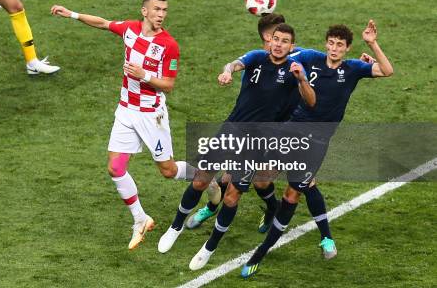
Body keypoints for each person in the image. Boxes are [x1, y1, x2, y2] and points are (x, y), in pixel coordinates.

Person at [241, 20, 394, 278]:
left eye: (340, 45)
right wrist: (254, 56)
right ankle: (285, 218)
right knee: (262, 177)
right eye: (331, 43)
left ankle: (260, 253)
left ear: (347, 49)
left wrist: (372, 44)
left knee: (293, 194)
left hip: (317, 143)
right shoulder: (312, 57)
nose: (334, 49)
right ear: (326, 43)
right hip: (292, 130)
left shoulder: (354, 68)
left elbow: (387, 70)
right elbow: (283, 52)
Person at [158, 24, 316, 270]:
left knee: (232, 194)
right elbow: (233, 64)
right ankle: (175, 227)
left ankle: (209, 248)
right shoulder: (256, 57)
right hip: (231, 130)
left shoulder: (294, 70)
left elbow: (311, 101)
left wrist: (303, 79)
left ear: (291, 47)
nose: (279, 44)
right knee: (200, 179)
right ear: (269, 40)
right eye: (276, 39)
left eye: (285, 41)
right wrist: (227, 72)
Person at [50, 0, 196, 250]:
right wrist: (71, 14)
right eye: (157, 9)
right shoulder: (130, 29)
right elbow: (103, 23)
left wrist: (145, 75)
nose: (161, 14)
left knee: (168, 171)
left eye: (164, 10)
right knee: (115, 168)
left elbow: (169, 86)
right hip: (126, 111)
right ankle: (140, 219)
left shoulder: (169, 45)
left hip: (152, 115)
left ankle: (205, 175)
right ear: (144, 11)